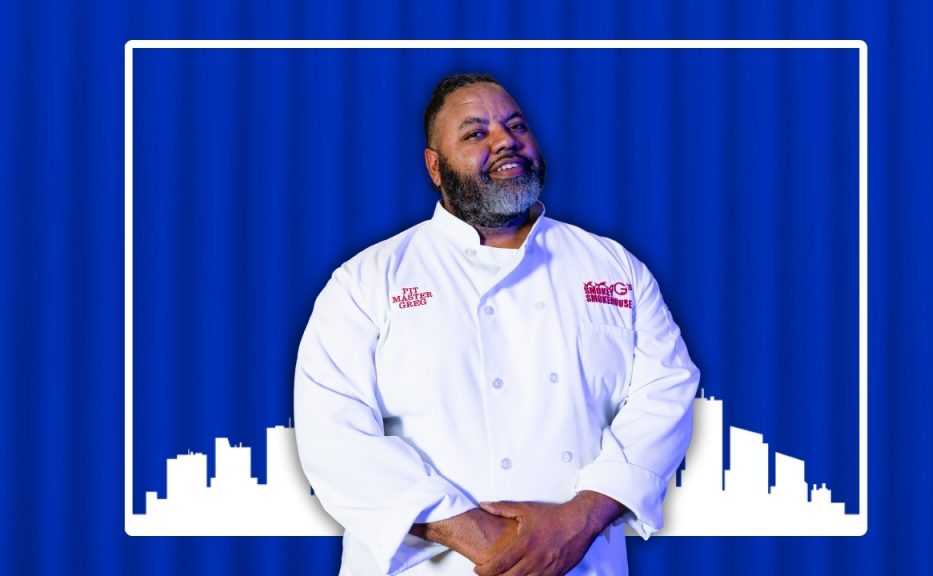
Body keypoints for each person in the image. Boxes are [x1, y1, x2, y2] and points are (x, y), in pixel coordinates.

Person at [294, 73, 699, 576]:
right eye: (475, 133)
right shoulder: (367, 280)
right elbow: (332, 434)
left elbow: (667, 394)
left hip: (578, 564)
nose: (505, 140)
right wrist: (491, 541)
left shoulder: (613, 267)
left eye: (515, 126)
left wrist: (574, 523)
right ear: (435, 168)